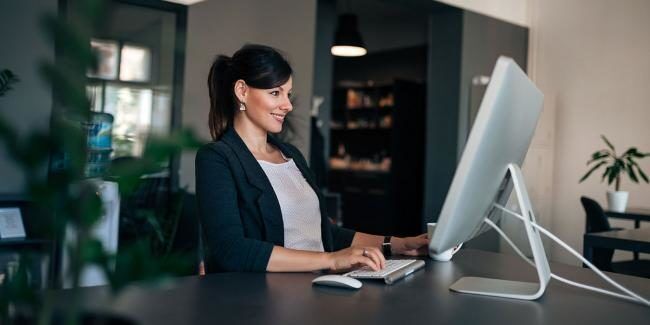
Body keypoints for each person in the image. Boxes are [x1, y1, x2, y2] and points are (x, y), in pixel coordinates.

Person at [195, 44, 428, 273]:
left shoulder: (290, 155)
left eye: (288, 94)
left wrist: (397, 243)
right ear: (242, 91)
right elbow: (232, 250)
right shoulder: (216, 158)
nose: (287, 105)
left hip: (318, 286)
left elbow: (322, 232)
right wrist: (331, 260)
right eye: (275, 92)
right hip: (265, 300)